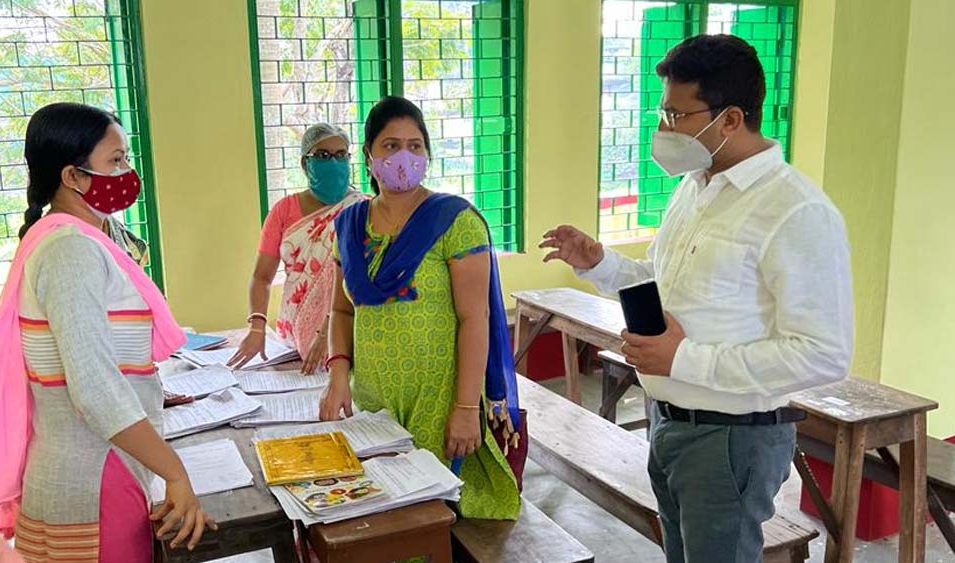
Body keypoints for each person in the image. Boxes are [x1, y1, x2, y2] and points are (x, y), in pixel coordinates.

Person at [541, 35, 853, 562]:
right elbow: (663, 284)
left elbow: (823, 353)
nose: (664, 129)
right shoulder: (695, 187)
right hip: (670, 422)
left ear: (730, 119)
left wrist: (684, 359)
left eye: (677, 115)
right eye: (663, 113)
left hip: (730, 440)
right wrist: (599, 263)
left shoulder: (795, 211)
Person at [0, 102, 215, 562]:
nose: (127, 172)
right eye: (115, 161)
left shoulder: (79, 238)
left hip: (102, 465)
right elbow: (94, 390)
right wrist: (175, 473)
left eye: (126, 158)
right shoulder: (69, 252)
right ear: (73, 177)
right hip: (93, 475)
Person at [319, 96, 522, 519]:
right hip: (372, 395)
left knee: (429, 512)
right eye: (391, 146)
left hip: (437, 398)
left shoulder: (453, 221)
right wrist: (338, 375)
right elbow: (342, 312)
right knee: (378, 509)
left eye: (415, 146)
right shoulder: (350, 227)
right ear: (369, 156)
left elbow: (475, 318)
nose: (404, 157)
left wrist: (465, 409)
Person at [228, 123, 366, 374]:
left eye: (340, 155)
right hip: (292, 341)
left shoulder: (364, 209)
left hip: (348, 335)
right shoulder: (284, 210)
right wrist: (257, 327)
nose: (333, 162)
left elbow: (362, 281)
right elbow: (262, 277)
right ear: (305, 163)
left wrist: (329, 329)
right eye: (323, 155)